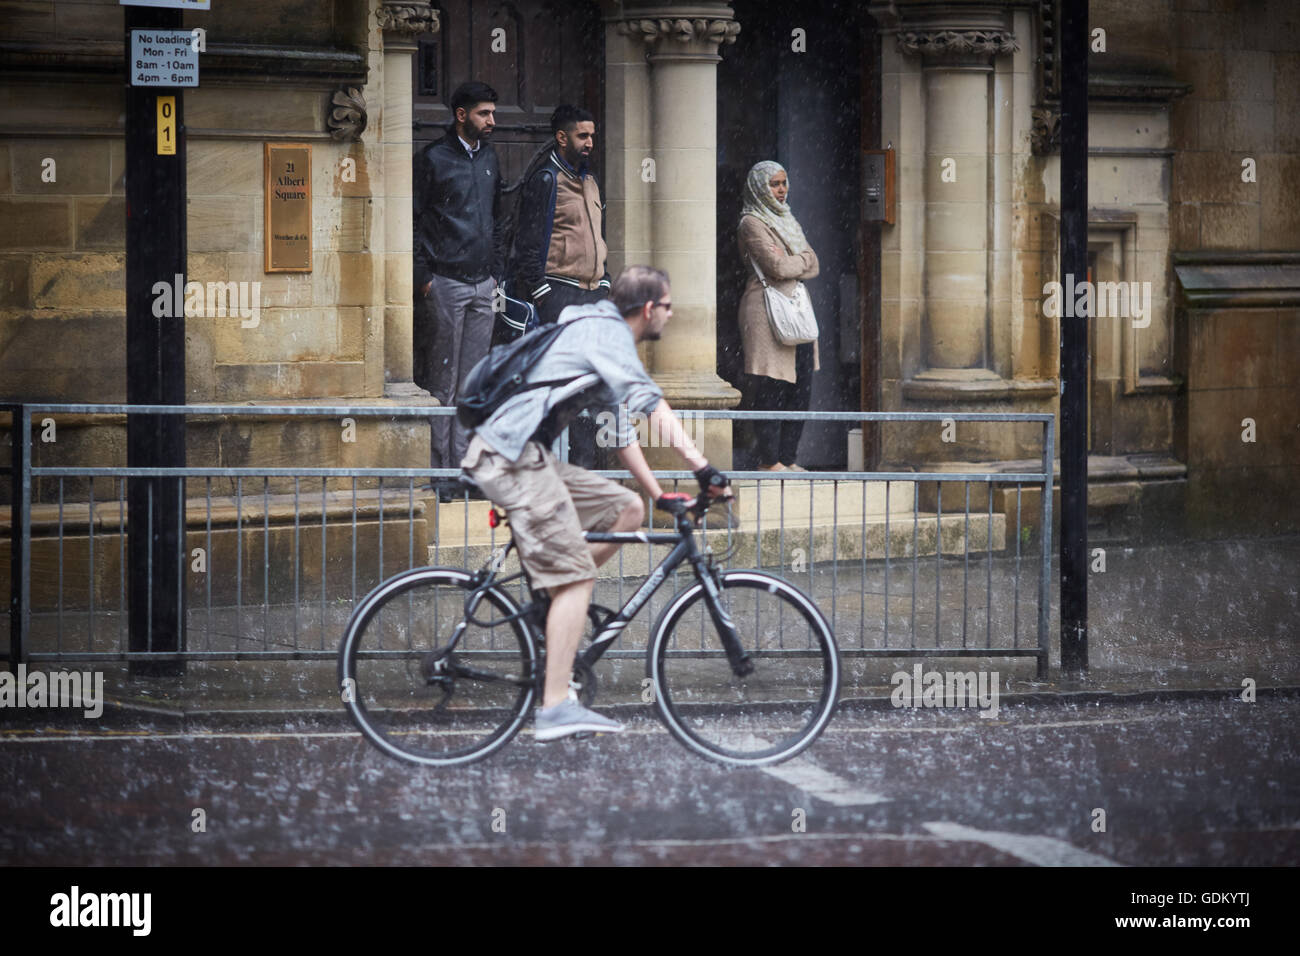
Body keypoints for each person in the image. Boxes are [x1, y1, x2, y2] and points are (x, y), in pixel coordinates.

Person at [460, 265, 731, 741]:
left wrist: (656, 493)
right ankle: (554, 706)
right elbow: (650, 401)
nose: (670, 315)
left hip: (526, 455)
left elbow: (623, 428)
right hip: (510, 458)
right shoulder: (607, 334)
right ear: (649, 309)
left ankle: (552, 601)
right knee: (577, 578)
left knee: (627, 511)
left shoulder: (593, 331)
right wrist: (702, 468)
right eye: (667, 306)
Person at [413, 80, 505, 495]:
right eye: (484, 113)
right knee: (442, 382)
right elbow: (413, 220)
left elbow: (499, 217)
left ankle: (466, 473)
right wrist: (424, 277)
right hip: (445, 282)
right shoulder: (433, 158)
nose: (492, 121)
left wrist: (496, 273)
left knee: (470, 385)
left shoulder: (490, 158)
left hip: (482, 283)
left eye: (493, 113)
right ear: (461, 115)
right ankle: (440, 475)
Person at [506, 104, 611, 468]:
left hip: (592, 295)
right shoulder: (546, 179)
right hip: (560, 293)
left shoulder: (590, 180)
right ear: (562, 137)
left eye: (592, 136)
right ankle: (547, 466)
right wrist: (543, 295)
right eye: (583, 136)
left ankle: (583, 468)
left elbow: (598, 238)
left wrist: (605, 282)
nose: (589, 143)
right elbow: (528, 244)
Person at [736, 160, 820, 471]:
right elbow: (778, 267)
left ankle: (789, 458)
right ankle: (768, 460)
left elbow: (815, 263)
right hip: (766, 310)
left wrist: (794, 261)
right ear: (760, 187)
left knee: (801, 386)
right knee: (772, 385)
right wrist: (800, 260)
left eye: (784, 183)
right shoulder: (751, 222)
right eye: (774, 184)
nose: (781, 190)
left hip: (795, 309)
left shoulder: (788, 220)